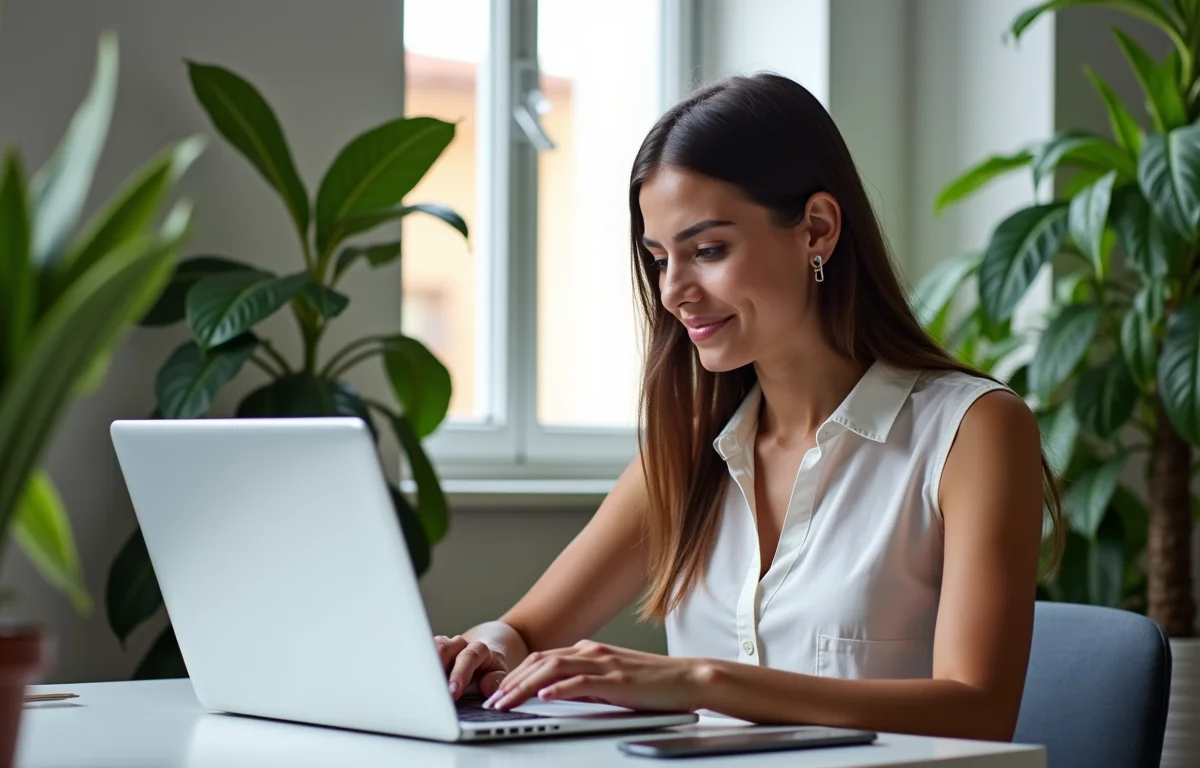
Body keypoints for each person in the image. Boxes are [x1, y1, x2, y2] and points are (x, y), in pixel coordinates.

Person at [434, 73, 1061, 742]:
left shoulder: (973, 431)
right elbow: (526, 630)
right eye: (658, 258)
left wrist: (704, 682)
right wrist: (489, 646)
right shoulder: (689, 452)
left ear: (816, 229)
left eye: (707, 250)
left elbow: (980, 710)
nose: (674, 291)